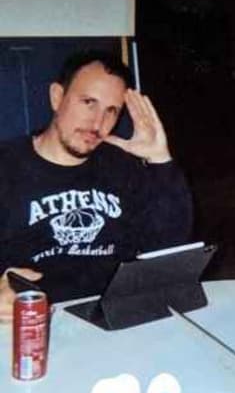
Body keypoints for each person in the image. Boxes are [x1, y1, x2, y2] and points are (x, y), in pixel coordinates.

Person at [0, 50, 193, 316]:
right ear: (57, 97)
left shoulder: (122, 168)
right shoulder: (7, 167)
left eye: (111, 111)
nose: (97, 123)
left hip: (112, 316)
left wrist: (160, 159)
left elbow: (169, 248)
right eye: (88, 102)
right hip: (33, 319)